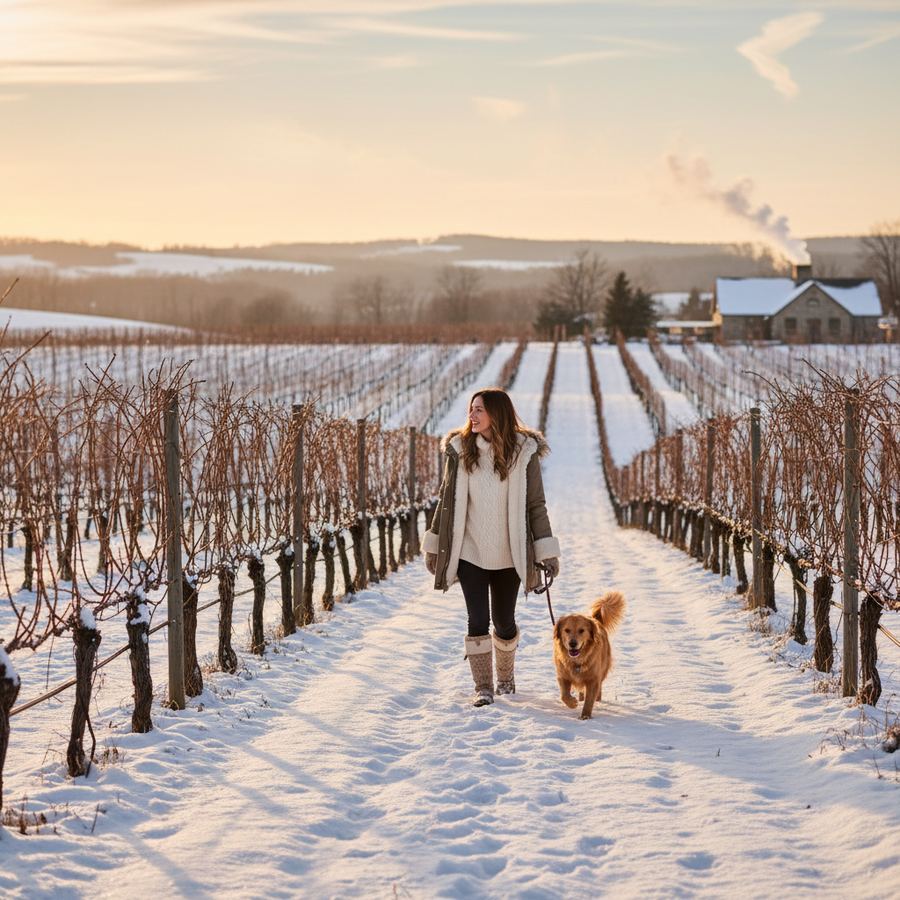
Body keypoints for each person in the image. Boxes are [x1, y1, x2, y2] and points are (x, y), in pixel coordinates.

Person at [423, 387, 561, 707]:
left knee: (504, 621)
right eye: (471, 409)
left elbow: (536, 505)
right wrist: (434, 545)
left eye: (479, 410)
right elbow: (446, 500)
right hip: (471, 551)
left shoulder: (524, 454)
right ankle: (483, 687)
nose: (471, 416)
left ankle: (506, 677)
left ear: (496, 414)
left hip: (509, 554)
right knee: (477, 620)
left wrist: (546, 551)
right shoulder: (461, 451)